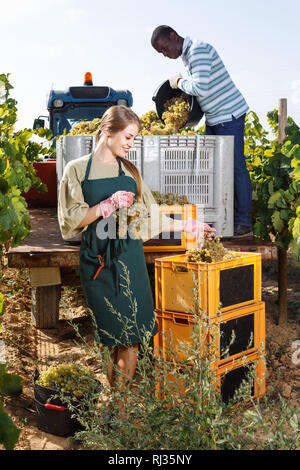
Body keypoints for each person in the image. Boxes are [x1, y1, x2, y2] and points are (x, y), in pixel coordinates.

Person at [58, 105, 215, 419]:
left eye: (134, 138)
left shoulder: (129, 171)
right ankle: (114, 400)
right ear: (108, 131)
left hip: (129, 255)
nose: (131, 144)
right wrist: (106, 205)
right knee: (108, 334)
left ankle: (119, 409)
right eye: (128, 137)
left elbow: (150, 217)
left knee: (131, 337)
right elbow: (70, 221)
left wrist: (188, 225)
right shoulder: (76, 169)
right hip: (98, 258)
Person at [151, 25, 253, 238]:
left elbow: (201, 88)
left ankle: (244, 222)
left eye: (165, 48)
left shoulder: (198, 50)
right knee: (216, 171)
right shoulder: (188, 56)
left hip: (229, 115)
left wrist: (178, 81)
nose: (165, 54)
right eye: (161, 53)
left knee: (235, 167)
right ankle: (223, 218)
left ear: (173, 36)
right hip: (215, 117)